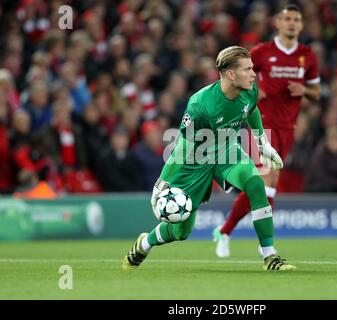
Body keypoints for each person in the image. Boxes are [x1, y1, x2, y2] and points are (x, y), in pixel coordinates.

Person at [122, 46, 296, 271]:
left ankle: (270, 256)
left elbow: (250, 110)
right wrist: (160, 184)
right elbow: (182, 149)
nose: (254, 74)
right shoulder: (200, 106)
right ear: (231, 74)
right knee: (181, 232)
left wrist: (262, 143)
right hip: (195, 160)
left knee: (255, 183)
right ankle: (144, 243)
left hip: (226, 150)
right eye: (248, 69)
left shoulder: (250, 89)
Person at [213, 4, 321, 257]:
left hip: (288, 128)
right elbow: (234, 76)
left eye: (297, 19)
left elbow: (316, 92)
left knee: (265, 185)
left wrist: (303, 90)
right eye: (288, 19)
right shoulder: (262, 52)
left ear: (301, 25)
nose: (292, 23)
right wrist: (252, 90)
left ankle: (225, 230)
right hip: (261, 124)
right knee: (266, 181)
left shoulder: (307, 56)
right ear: (278, 23)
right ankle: (266, 247)